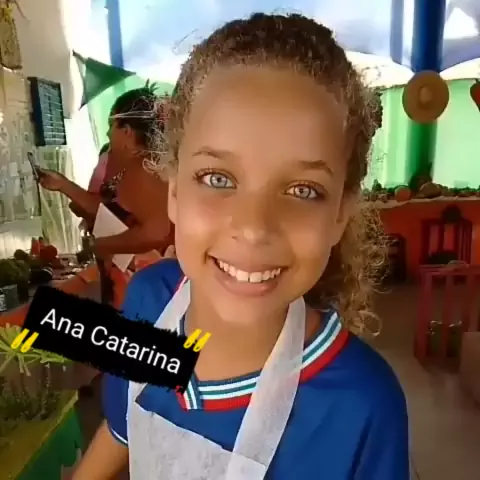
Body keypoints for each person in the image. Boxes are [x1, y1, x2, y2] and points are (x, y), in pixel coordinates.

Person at [73, 13, 409, 480]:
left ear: (340, 214)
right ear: (174, 191)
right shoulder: (149, 302)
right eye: (217, 178)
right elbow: (121, 430)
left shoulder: (362, 406)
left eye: (303, 190)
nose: (253, 228)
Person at [39, 87, 173, 308]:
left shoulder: (143, 169)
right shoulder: (135, 167)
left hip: (158, 282)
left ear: (126, 131)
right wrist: (62, 184)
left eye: (112, 126)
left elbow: (156, 232)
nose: (108, 134)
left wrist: (103, 245)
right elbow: (106, 212)